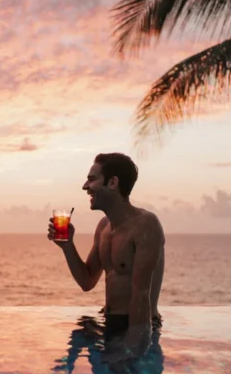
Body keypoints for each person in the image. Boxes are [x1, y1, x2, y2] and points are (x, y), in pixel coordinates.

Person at [47, 153, 165, 362]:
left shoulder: (145, 224)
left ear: (112, 182)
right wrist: (67, 246)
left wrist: (131, 350)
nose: (85, 186)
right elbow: (87, 281)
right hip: (109, 323)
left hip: (138, 325)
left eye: (92, 179)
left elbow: (141, 296)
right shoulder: (103, 227)